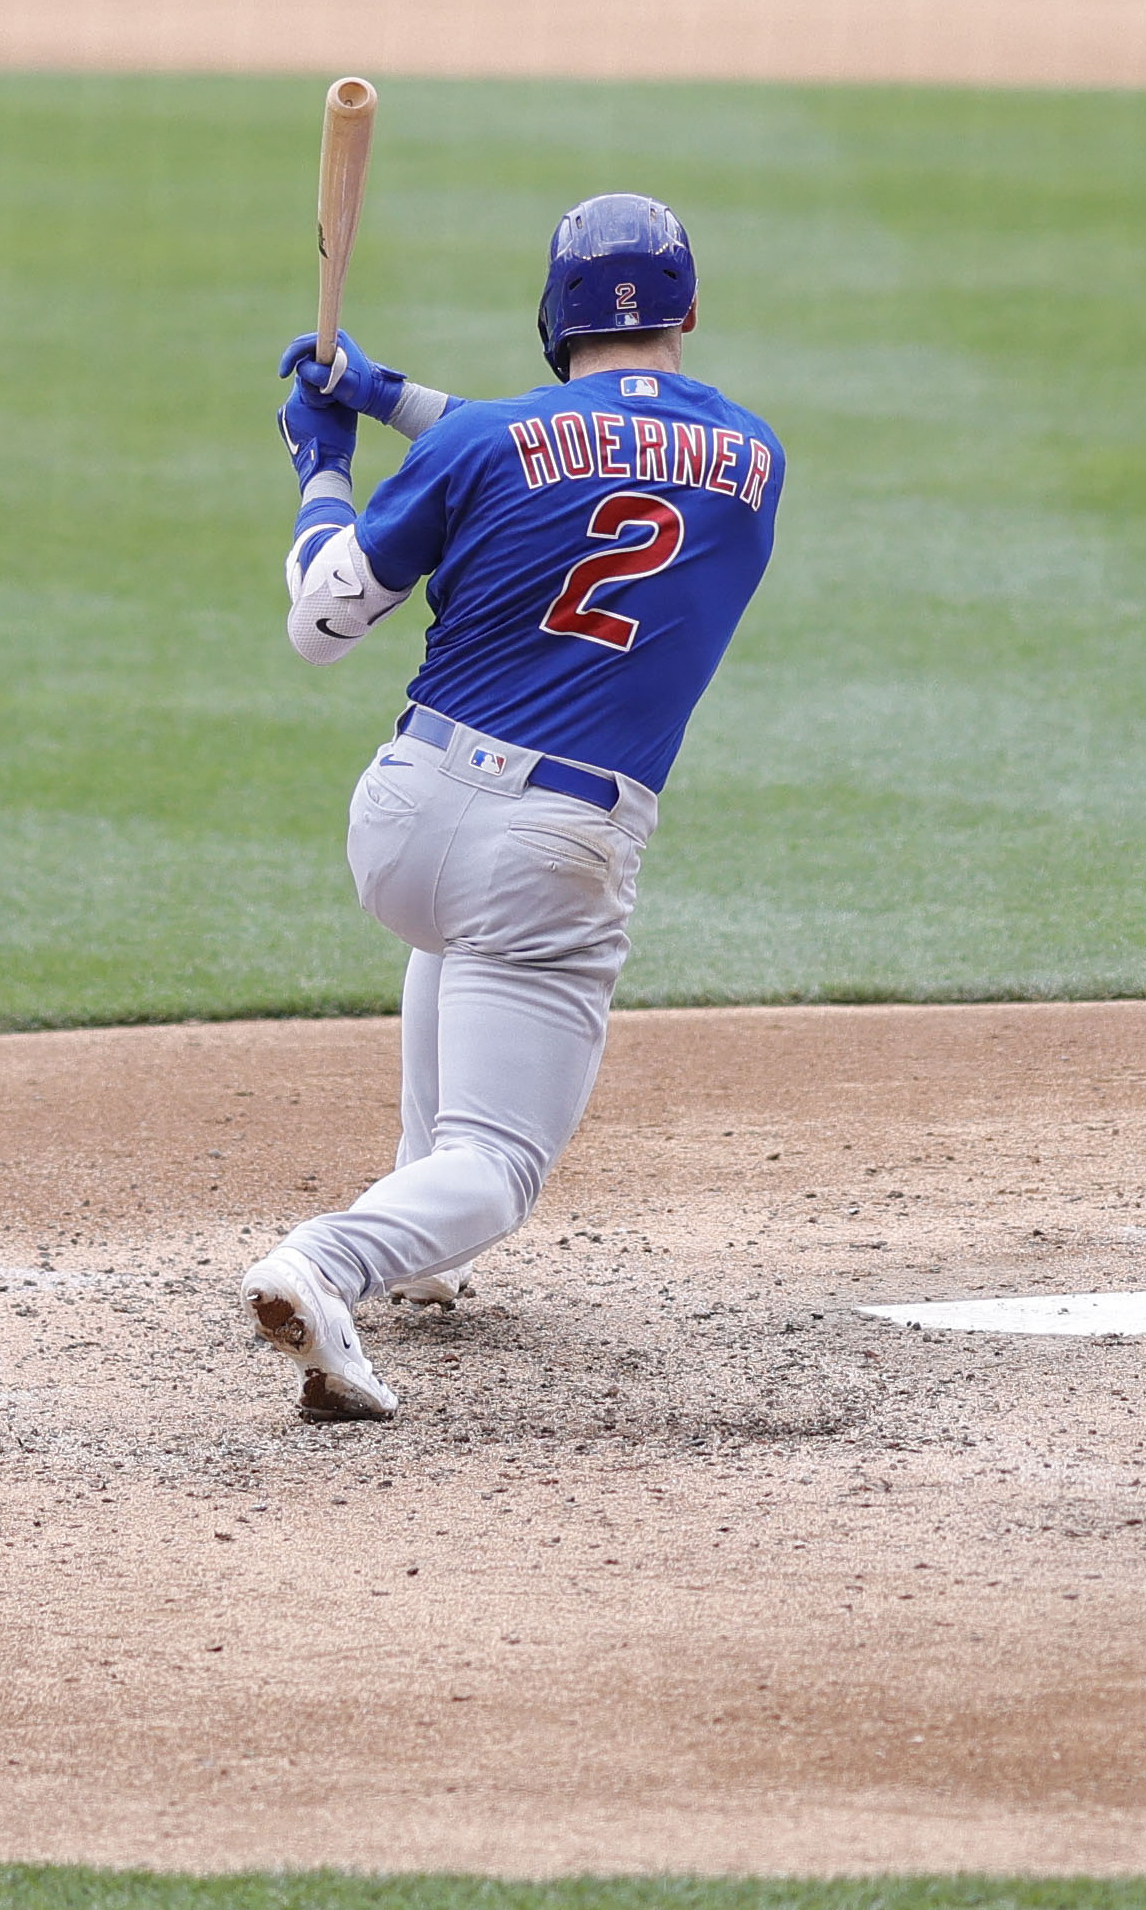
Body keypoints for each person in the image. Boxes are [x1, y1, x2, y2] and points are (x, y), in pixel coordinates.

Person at [239, 195, 783, 1421]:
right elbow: (582, 448)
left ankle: (415, 1238)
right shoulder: (754, 457)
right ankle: (327, 1261)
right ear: (689, 310)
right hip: (556, 847)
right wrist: (390, 398)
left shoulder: (482, 445)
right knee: (499, 1165)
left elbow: (320, 621)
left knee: (458, 934)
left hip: (403, 818)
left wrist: (326, 457)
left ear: (554, 316)